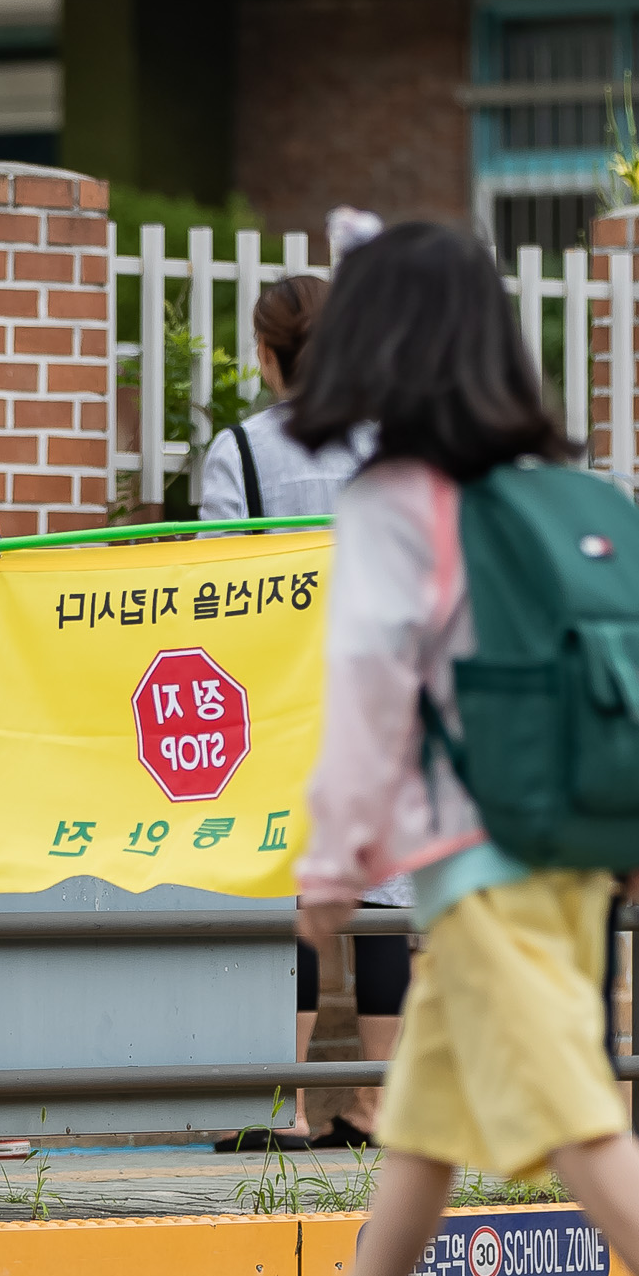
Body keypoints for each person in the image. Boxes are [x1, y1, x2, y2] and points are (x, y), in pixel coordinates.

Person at [207, 222, 639, 1276]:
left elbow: (368, 689)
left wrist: (330, 864)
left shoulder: (396, 501)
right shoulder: (555, 491)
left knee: (563, 1092)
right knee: (423, 1123)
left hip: (480, 851)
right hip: (567, 839)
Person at [200, 274, 409, 1152]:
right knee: (385, 896)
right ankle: (379, 1109)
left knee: (292, 887)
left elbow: (215, 588)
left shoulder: (240, 452)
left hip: (285, 707)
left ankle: (281, 1102)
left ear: (265, 354)